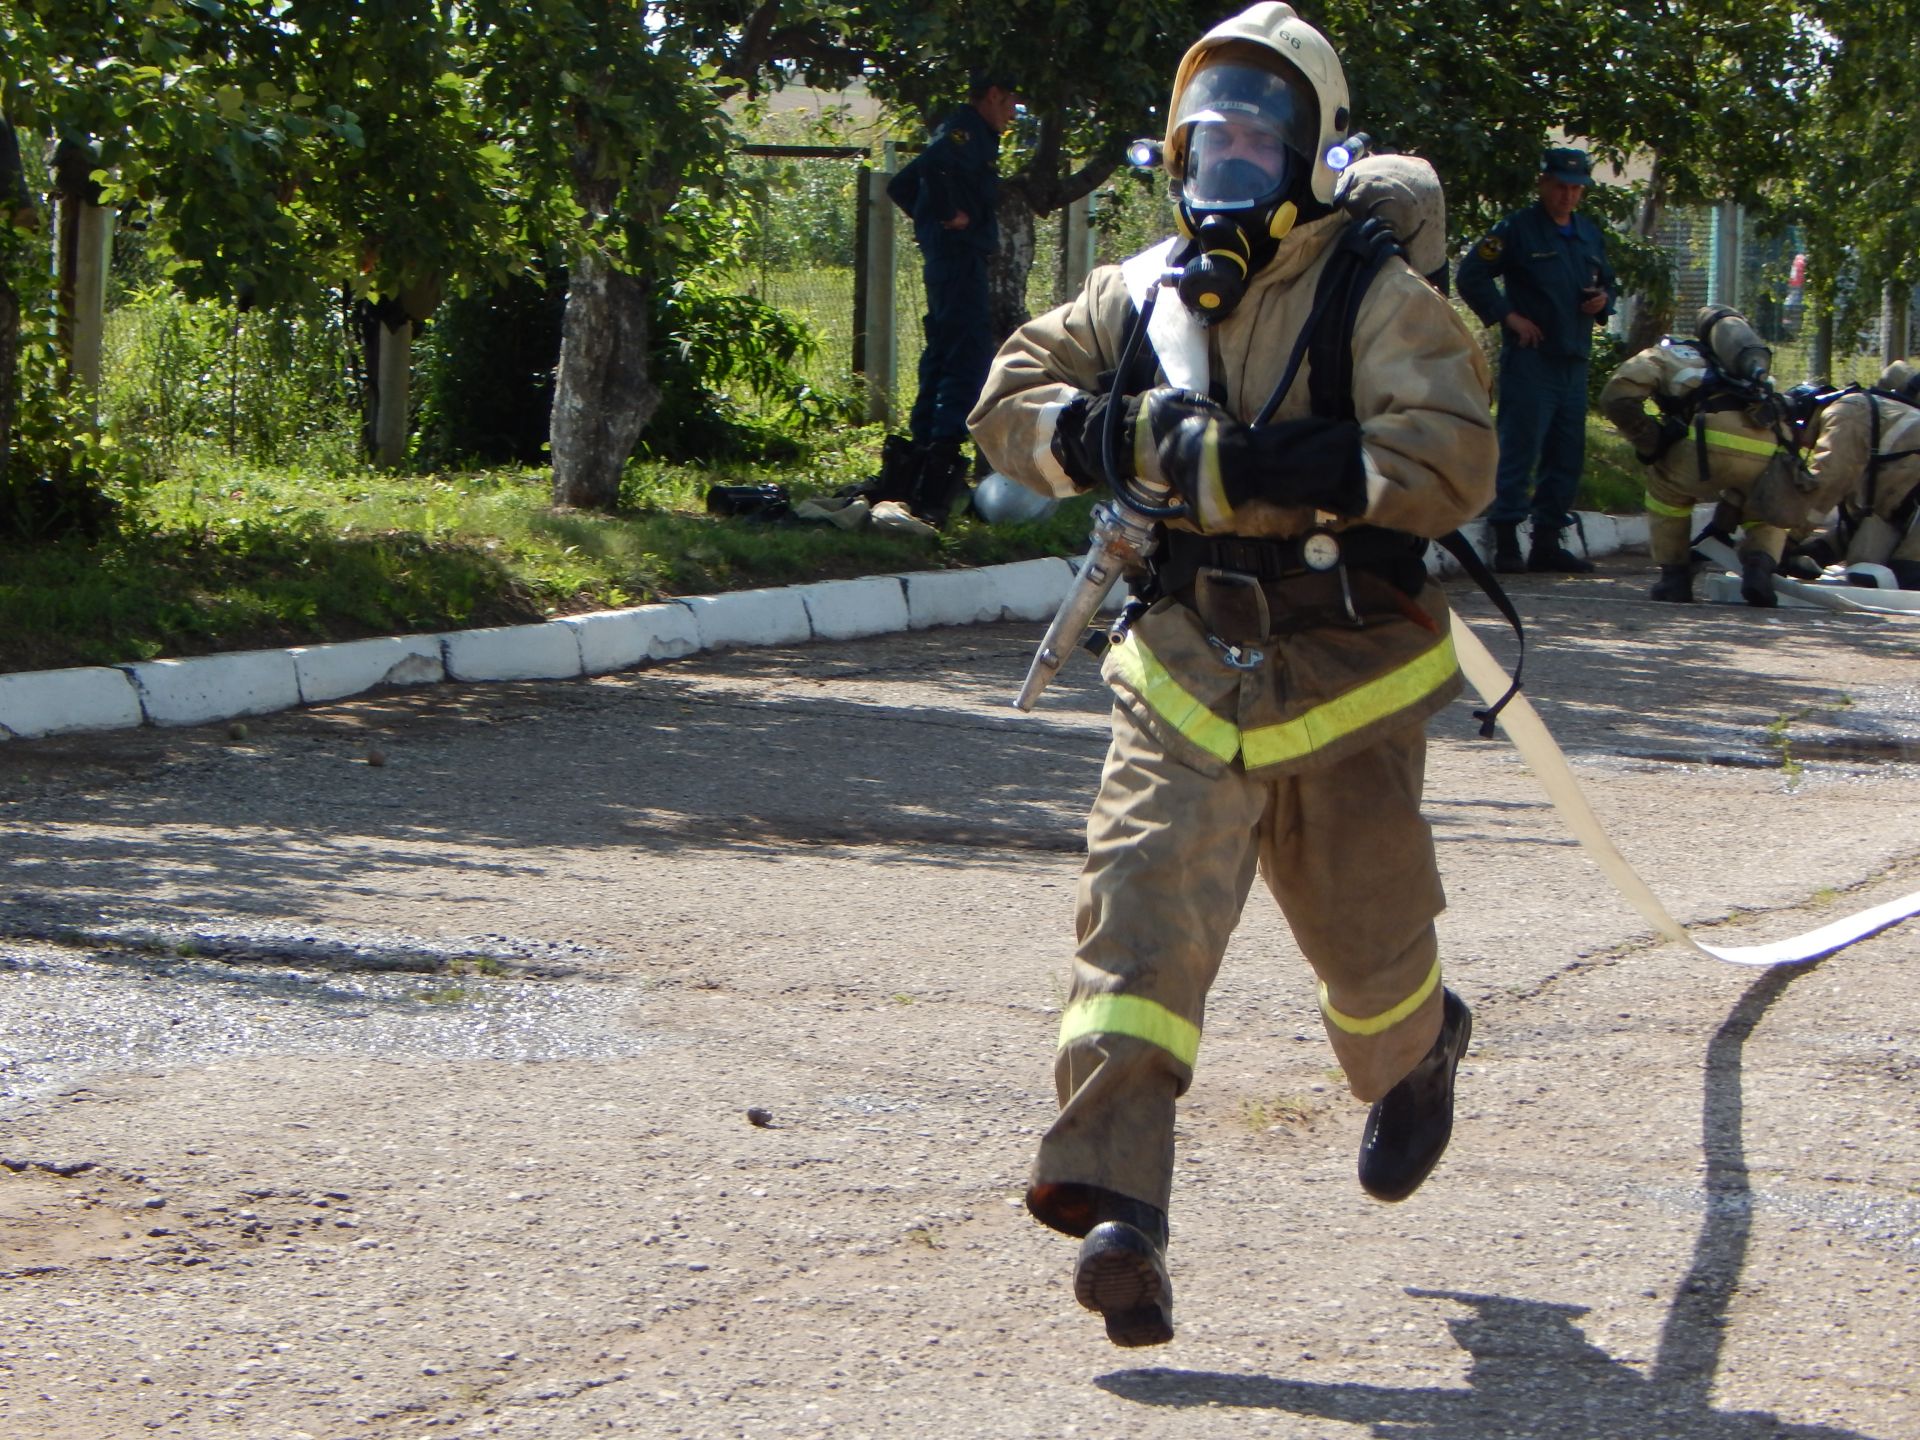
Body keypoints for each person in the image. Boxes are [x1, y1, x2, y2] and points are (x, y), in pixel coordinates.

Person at [969, 2, 1493, 1349]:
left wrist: (1279, 467)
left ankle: (1418, 1048)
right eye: (1209, 145)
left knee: (1369, 958)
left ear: (1316, 156)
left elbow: (1449, 457)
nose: (1229, 170)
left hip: (1346, 677)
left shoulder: (1375, 296)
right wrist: (1096, 432)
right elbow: (1006, 397)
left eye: (1260, 145)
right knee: (1138, 929)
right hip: (1186, 662)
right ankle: (1117, 1208)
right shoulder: (1139, 292)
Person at [1457, 146, 1616, 575]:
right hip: (1531, 359)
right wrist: (1509, 316)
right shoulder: (1516, 230)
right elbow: (1471, 274)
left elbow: (1608, 284)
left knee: (1566, 454)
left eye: (1576, 188)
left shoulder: (1588, 233)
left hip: (1573, 360)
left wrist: (1603, 301)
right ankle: (1506, 541)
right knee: (1520, 448)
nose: (1568, 196)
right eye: (1560, 186)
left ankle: (1548, 540)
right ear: (1543, 184)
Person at [872, 73, 1019, 527]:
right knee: (967, 355)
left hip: (948, 258)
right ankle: (941, 459)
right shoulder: (965, 132)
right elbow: (934, 166)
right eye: (1012, 102)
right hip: (958, 259)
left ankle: (920, 452)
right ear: (994, 94)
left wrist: (931, 223)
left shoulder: (964, 132)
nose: (1014, 114)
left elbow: (901, 186)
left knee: (941, 352)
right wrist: (946, 217)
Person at [1597, 305, 1807, 606]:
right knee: (1762, 508)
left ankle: (1675, 579)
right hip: (1766, 448)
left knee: (1666, 493)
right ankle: (1759, 568)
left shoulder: (1671, 354)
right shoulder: (1753, 370)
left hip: (1704, 445)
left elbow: (1616, 395)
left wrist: (1650, 439)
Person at [1787, 362, 1920, 589]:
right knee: (1868, 563)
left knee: (1907, 577)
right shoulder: (1874, 421)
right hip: (1910, 509)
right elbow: (1859, 521)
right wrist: (1813, 552)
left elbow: (1827, 484)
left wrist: (1785, 538)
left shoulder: (1844, 412)